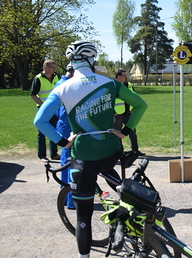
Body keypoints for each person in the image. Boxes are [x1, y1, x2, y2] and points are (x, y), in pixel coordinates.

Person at [34, 40, 147, 258]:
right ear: (92, 59)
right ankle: (126, 215)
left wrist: (62, 142)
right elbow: (142, 104)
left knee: (83, 218)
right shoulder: (110, 83)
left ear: (71, 62)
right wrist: (125, 130)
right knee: (112, 178)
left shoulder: (62, 87)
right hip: (110, 153)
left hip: (83, 158)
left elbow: (40, 121)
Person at [30, 59, 60, 162]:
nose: (54, 69)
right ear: (45, 67)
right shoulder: (38, 79)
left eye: (54, 67)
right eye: (52, 67)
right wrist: (43, 106)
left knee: (54, 130)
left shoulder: (56, 77)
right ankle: (42, 155)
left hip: (55, 108)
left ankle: (54, 154)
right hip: (42, 108)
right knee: (42, 132)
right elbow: (33, 95)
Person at [55, 63, 75, 209]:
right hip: (68, 127)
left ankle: (64, 196)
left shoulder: (60, 83)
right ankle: (71, 199)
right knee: (71, 162)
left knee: (65, 161)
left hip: (64, 126)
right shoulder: (68, 86)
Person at [114, 68, 145, 156]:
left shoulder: (129, 85)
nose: (126, 77)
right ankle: (120, 152)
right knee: (117, 133)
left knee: (132, 132)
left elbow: (136, 98)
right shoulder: (114, 87)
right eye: (124, 75)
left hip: (129, 113)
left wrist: (134, 109)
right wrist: (113, 112)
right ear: (118, 77)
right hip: (118, 114)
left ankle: (135, 151)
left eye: (126, 75)